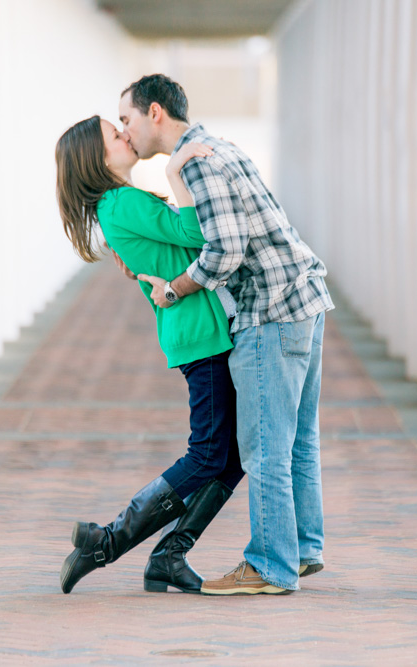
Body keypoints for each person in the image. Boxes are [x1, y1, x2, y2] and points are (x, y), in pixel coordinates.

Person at [117, 74, 335, 595]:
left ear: (153, 113)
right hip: (303, 299)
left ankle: (270, 566)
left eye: (125, 120)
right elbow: (216, 231)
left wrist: (173, 289)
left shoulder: (191, 162)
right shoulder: (216, 148)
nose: (125, 133)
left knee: (263, 448)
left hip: (270, 311)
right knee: (297, 441)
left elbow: (225, 251)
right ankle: (301, 550)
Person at [54, 115, 244, 595]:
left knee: (231, 455)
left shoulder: (119, 205)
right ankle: (108, 542)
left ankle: (167, 555)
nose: (125, 135)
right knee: (207, 455)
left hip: (198, 331)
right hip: (200, 335)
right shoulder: (120, 202)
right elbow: (201, 233)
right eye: (113, 135)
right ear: (97, 159)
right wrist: (176, 174)